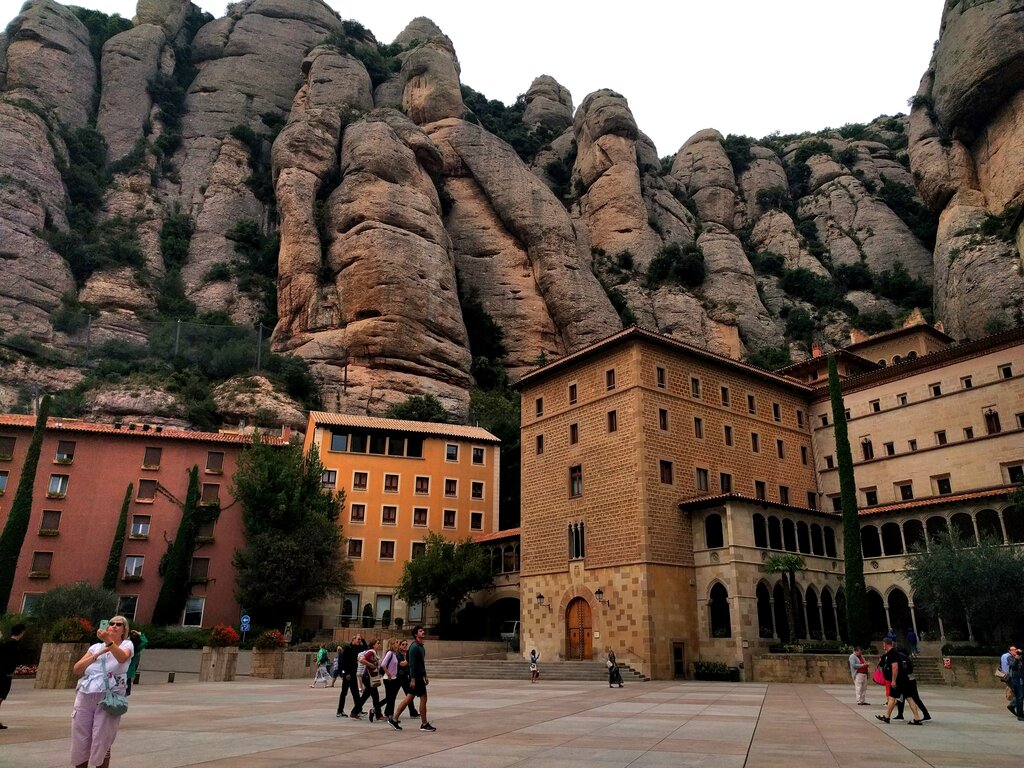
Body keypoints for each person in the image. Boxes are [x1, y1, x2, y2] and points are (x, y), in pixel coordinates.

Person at [70, 615, 135, 768]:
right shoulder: (95, 647)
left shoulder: (127, 644)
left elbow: (121, 658)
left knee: (102, 739)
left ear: (124, 630)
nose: (114, 626)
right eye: (111, 623)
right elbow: (77, 669)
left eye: (119, 624)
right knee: (80, 738)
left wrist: (108, 642)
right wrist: (97, 654)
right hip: (86, 694)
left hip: (108, 697)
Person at [387, 625, 435, 732]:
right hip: (416, 677)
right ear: (415, 634)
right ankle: (424, 723)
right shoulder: (414, 647)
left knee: (409, 698)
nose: (423, 632)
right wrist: (413, 679)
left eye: (423, 630)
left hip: (419, 676)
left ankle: (394, 719)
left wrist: (425, 675)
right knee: (422, 698)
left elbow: (421, 663)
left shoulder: (420, 646)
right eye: (420, 631)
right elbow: (412, 664)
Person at [875, 638, 923, 725]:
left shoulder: (892, 653)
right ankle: (917, 718)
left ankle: (886, 717)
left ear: (886, 644)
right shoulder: (892, 653)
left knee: (892, 697)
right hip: (904, 679)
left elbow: (895, 667)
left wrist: (893, 680)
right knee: (909, 697)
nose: (883, 646)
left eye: (883, 644)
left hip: (898, 680)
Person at [351, 639, 384, 721]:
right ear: (373, 645)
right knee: (374, 696)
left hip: (370, 677)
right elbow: (361, 659)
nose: (379, 645)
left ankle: (355, 712)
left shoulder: (375, 653)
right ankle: (378, 714)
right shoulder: (371, 652)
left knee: (368, 696)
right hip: (368, 677)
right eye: (378, 643)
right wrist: (370, 664)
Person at [0, 623, 26, 729]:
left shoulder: (5, 644)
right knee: (0, 697)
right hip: (5, 675)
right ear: (22, 632)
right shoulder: (13, 646)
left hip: (3, 674)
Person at [336, 634, 363, 718]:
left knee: (355, 692)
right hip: (348, 674)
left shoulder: (357, 649)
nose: (359, 641)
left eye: (360, 640)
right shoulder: (348, 648)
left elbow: (365, 647)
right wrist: (345, 673)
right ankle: (340, 710)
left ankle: (358, 709)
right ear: (353, 640)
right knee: (344, 692)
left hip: (353, 674)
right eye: (358, 639)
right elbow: (344, 661)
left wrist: (361, 640)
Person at [392, 639, 419, 719]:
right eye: (403, 644)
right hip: (398, 678)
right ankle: (378, 709)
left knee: (409, 695)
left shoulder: (406, 654)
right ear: (399, 646)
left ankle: (413, 712)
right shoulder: (398, 655)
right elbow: (402, 664)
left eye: (406, 644)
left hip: (405, 678)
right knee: (391, 696)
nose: (405, 646)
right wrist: (410, 659)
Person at [125, 630, 147, 696]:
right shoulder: (136, 649)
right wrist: (140, 634)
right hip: (129, 673)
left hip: (122, 672)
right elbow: (145, 642)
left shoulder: (123, 647)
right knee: (125, 692)